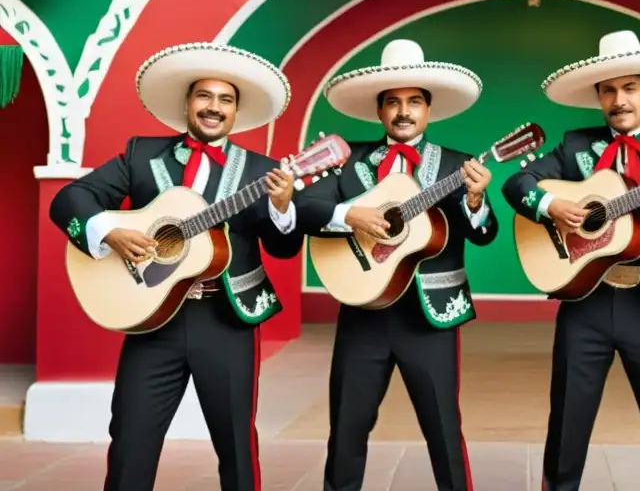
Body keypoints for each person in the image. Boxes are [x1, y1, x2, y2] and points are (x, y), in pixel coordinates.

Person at [50, 42, 307, 491]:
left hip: (226, 319)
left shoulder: (263, 172)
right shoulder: (141, 154)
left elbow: (283, 250)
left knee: (237, 449)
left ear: (235, 112)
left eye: (225, 100)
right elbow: (69, 199)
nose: (214, 107)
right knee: (130, 439)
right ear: (187, 104)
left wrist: (284, 208)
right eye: (204, 96)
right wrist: (108, 231)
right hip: (151, 319)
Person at [502, 30, 640, 491]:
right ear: (599, 97)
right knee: (567, 421)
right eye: (608, 90)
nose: (618, 100)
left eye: (629, 89)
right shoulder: (574, 145)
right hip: (586, 302)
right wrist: (551, 206)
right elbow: (517, 185)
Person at [299, 39, 498, 491]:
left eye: (413, 102)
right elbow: (306, 209)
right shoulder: (347, 161)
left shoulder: (458, 164)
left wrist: (474, 199)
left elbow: (485, 234)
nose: (403, 112)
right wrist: (349, 214)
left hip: (430, 315)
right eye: (392, 102)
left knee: (443, 430)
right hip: (362, 310)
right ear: (379, 110)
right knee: (347, 429)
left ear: (429, 109)